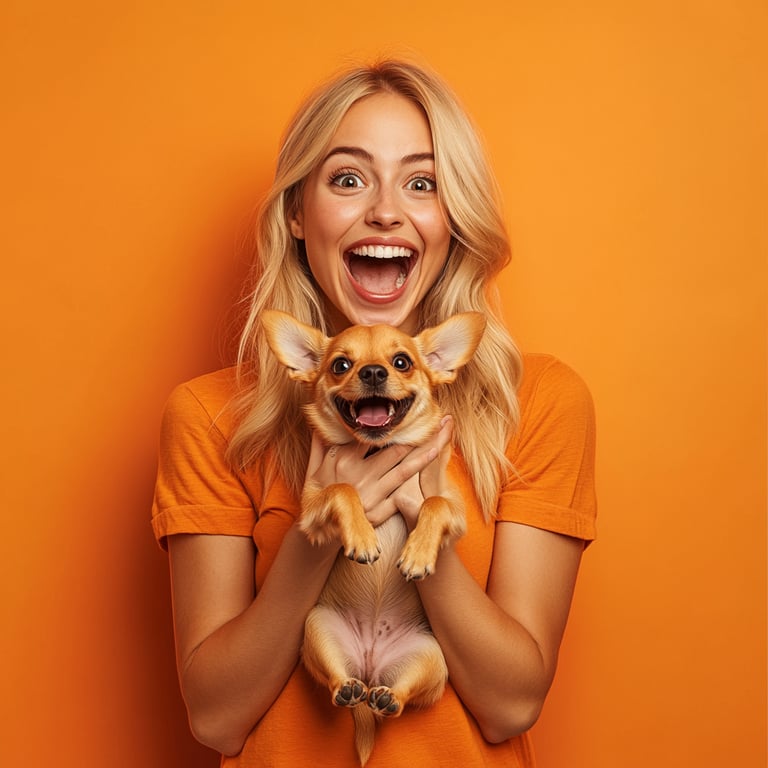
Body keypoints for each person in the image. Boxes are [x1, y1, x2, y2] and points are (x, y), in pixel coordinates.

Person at [151, 58, 597, 768]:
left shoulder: (537, 402)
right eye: (348, 178)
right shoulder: (210, 417)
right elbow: (215, 718)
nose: (386, 210)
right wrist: (320, 533)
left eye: (422, 182)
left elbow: (511, 702)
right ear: (298, 212)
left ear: (453, 217)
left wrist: (424, 521)